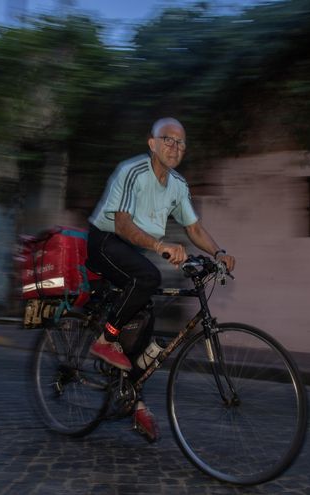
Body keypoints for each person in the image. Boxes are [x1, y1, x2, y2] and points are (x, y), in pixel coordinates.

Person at [85, 117, 236, 441]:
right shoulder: (133, 172)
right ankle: (105, 339)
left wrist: (218, 252)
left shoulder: (178, 186)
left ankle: (133, 401)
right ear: (152, 144)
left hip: (132, 253)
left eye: (181, 143)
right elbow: (122, 224)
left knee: (145, 328)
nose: (175, 147)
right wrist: (159, 245)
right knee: (148, 276)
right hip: (106, 242)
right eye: (168, 139)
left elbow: (193, 228)